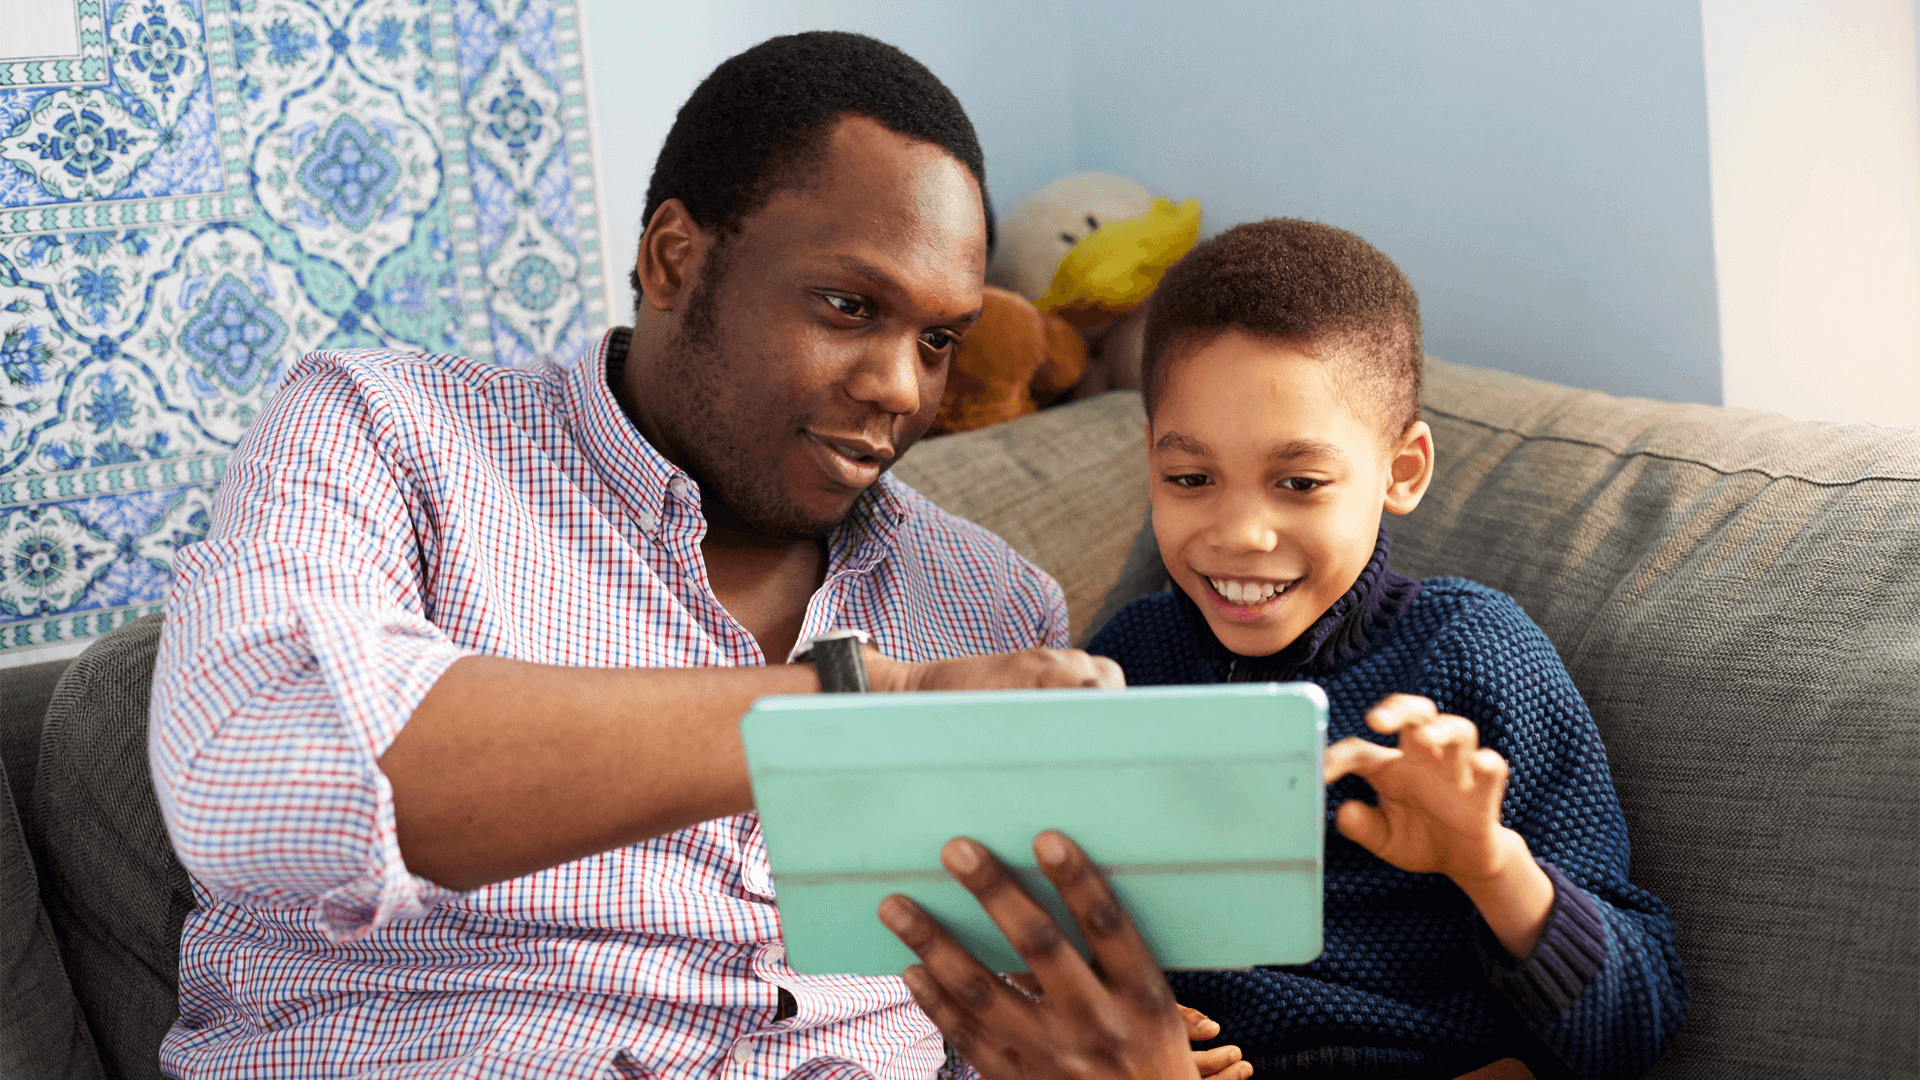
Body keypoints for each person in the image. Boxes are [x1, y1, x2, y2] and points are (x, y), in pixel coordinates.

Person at [147, 31, 1149, 1079]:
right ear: (676, 257)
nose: (902, 388)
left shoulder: (996, 603)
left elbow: (998, 1020)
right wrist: (861, 708)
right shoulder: (390, 432)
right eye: (850, 306)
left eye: (938, 340)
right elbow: (251, 775)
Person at [1071, 220, 1690, 1077]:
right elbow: (1066, 920)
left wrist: (1489, 865)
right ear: (1149, 465)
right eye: (1190, 478)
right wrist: (1122, 1028)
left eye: (1300, 483)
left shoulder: (1474, 650)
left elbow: (1635, 1022)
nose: (1242, 533)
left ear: (1401, 471)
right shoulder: (1123, 665)